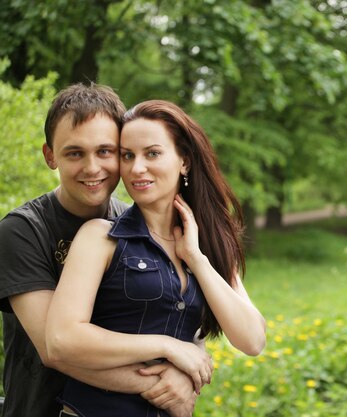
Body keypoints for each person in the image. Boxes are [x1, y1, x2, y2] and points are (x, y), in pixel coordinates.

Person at [45, 100, 267, 416]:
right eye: (127, 156)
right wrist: (168, 346)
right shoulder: (100, 237)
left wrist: (195, 257)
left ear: (184, 161)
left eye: (152, 153)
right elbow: (61, 339)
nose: (137, 168)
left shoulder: (208, 243)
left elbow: (252, 340)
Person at [0, 84, 201, 417]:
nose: (92, 167)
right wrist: (163, 381)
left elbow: (179, 311)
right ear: (50, 156)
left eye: (105, 151)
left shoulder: (134, 222)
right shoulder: (22, 232)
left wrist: (188, 361)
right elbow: (58, 350)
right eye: (75, 153)